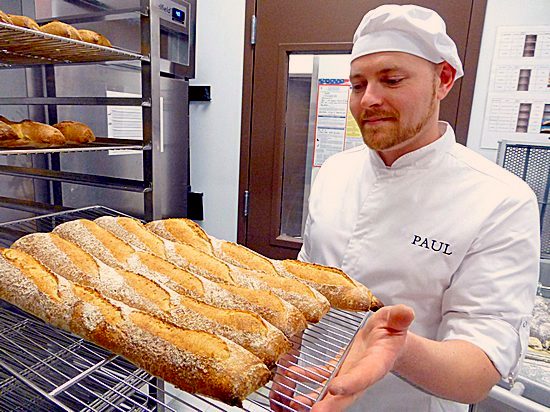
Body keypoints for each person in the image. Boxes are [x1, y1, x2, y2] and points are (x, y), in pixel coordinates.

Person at [288, 4, 540, 412]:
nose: (369, 99)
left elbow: (479, 368)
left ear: (442, 80)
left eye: (392, 79)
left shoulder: (501, 201)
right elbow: (308, 279)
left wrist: (398, 349)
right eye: (357, 84)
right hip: (306, 393)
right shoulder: (336, 171)